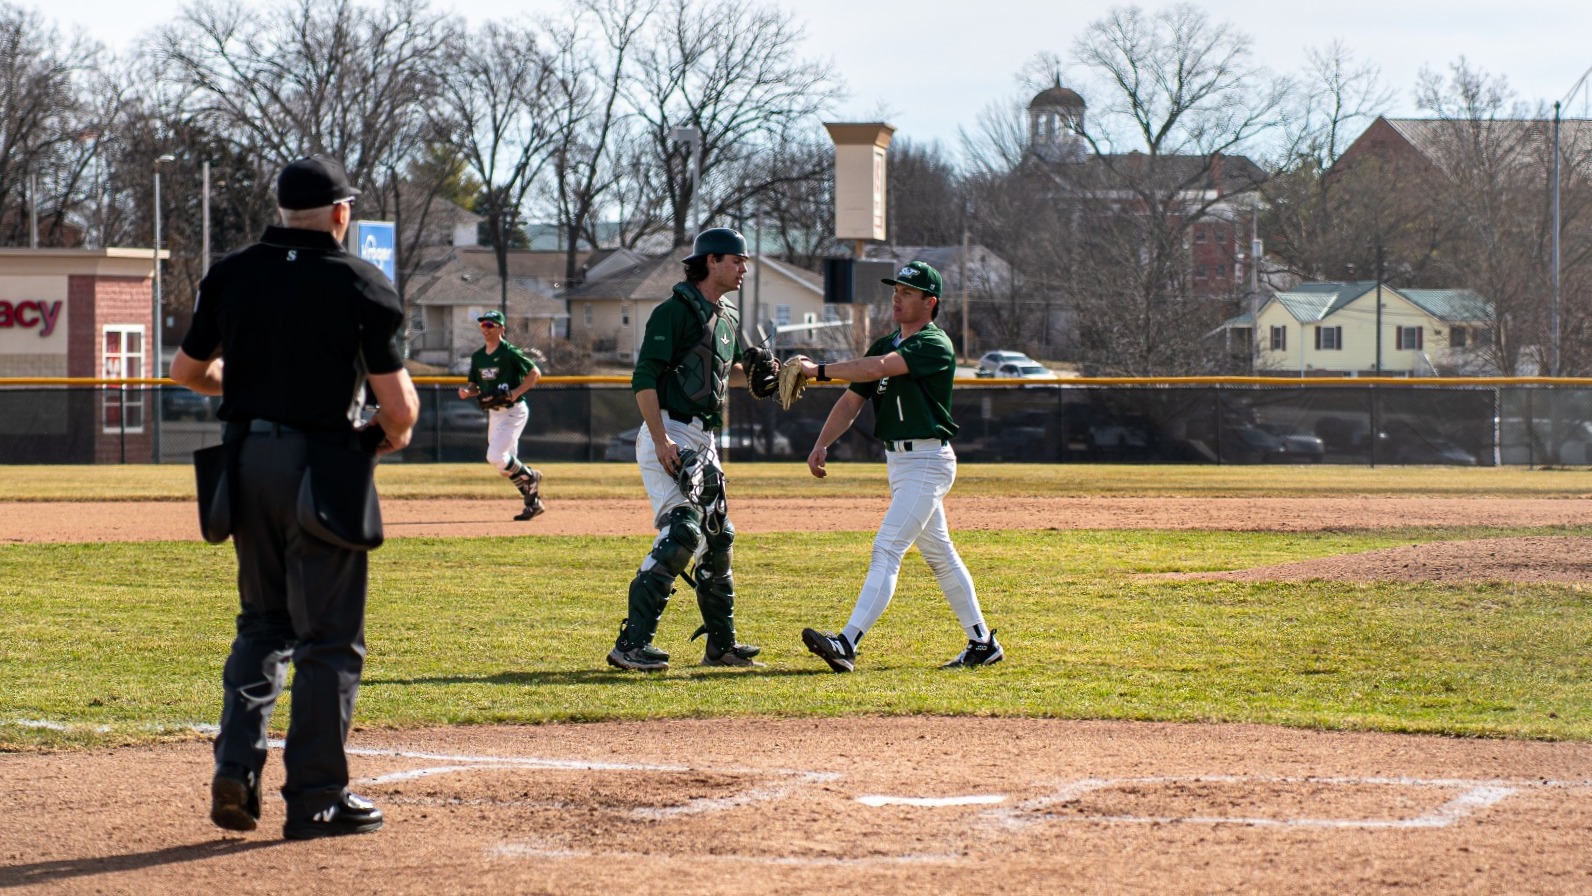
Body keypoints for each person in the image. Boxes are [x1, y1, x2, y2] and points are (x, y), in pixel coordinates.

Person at [170, 154, 419, 839]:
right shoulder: (360, 281)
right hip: (320, 463)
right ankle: (315, 799)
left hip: (246, 460)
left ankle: (236, 767)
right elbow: (398, 410)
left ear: (282, 212)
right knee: (329, 639)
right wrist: (378, 436)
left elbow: (187, 370)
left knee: (262, 624)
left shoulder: (233, 273)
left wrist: (250, 388)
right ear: (341, 213)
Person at [794, 261, 1001, 673]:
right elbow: (853, 400)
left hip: (928, 460)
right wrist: (821, 443)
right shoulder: (885, 343)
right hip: (900, 463)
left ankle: (847, 642)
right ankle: (982, 642)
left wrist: (817, 371)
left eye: (908, 292)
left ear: (930, 302)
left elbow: (880, 369)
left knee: (887, 547)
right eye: (896, 290)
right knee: (940, 555)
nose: (897, 297)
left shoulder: (933, 343)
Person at [606, 226, 780, 672]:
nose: (744, 267)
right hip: (669, 431)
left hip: (705, 440)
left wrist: (761, 372)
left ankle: (721, 647)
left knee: (719, 535)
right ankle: (631, 645)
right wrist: (662, 440)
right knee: (683, 531)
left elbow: (720, 373)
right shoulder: (673, 311)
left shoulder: (726, 315)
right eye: (736, 260)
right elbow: (644, 378)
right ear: (711, 262)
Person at [457, 309, 545, 520]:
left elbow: (535, 373)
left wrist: (515, 392)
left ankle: (531, 477)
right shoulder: (478, 357)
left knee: (495, 456)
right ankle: (533, 504)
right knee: (504, 466)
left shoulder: (509, 353)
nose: (485, 329)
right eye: (483, 325)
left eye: (490, 325)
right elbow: (475, 384)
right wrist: (468, 391)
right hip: (495, 415)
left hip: (514, 411)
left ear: (501, 329)